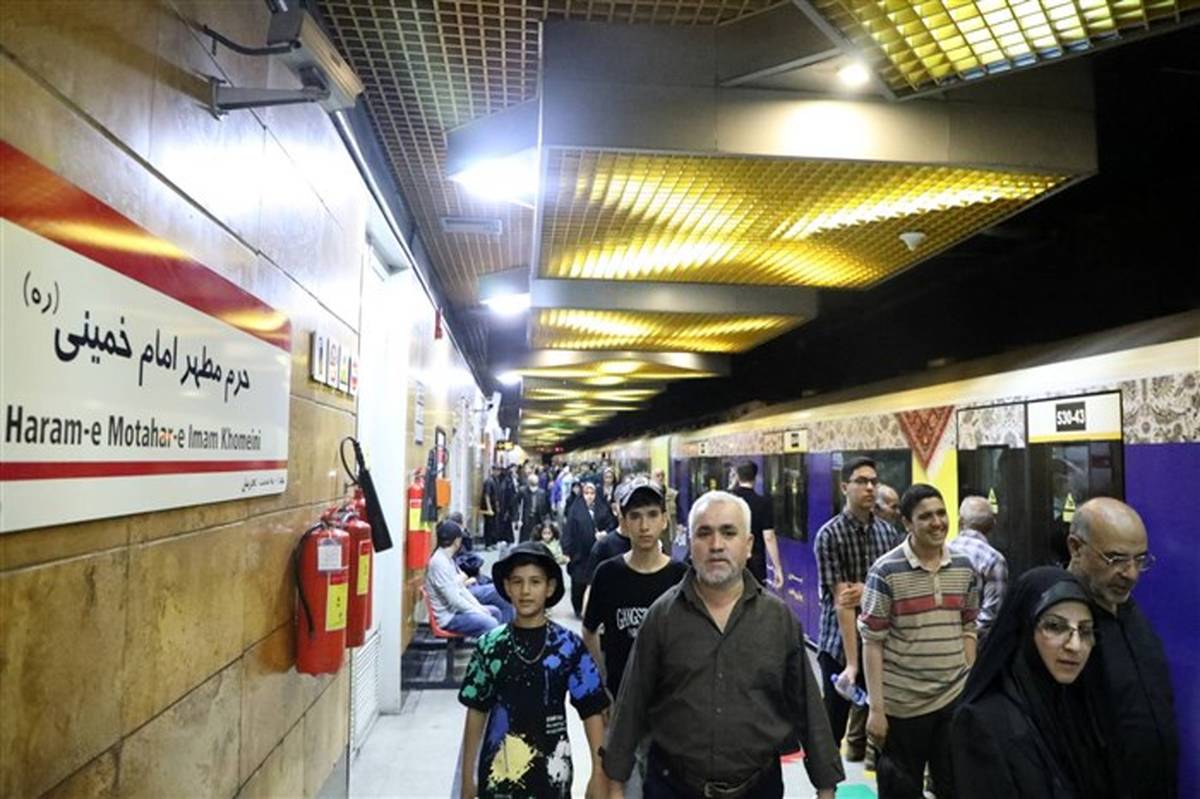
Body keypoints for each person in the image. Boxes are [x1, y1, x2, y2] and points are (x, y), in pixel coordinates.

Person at [603, 491, 844, 799]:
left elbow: (808, 707)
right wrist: (615, 785)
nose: (716, 545)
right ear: (690, 544)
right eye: (704, 533)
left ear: (749, 545)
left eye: (729, 533)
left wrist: (825, 786)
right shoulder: (662, 617)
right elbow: (631, 704)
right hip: (673, 788)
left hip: (759, 789)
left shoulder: (777, 619)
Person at [458, 542, 610, 799]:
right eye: (517, 582)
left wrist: (598, 772)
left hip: (552, 776)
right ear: (507, 587)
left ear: (549, 587)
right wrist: (467, 777)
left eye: (535, 582)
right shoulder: (490, 645)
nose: (525, 591)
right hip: (498, 777)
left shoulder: (568, 646)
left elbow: (592, 709)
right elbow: (476, 711)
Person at [858, 483, 979, 799]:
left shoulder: (964, 566)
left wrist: (969, 683)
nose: (937, 522)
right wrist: (877, 710)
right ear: (907, 524)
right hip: (903, 708)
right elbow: (872, 642)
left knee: (956, 788)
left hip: (952, 700)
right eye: (926, 517)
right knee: (900, 790)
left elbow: (968, 625)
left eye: (941, 513)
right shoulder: (885, 571)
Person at [951, 567, 1114, 799]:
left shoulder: (1081, 707)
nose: (1075, 645)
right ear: (1024, 630)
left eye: (1085, 631)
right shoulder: (982, 722)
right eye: (1055, 627)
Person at [1066, 497, 1178, 799]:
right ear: (1076, 548)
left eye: (1139, 559)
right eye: (1115, 559)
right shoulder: (1060, 627)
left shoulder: (1131, 615)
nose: (1131, 573)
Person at [812, 456, 896, 761]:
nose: (870, 487)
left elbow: (893, 590)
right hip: (839, 646)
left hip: (880, 644)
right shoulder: (829, 535)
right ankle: (827, 783)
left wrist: (866, 590)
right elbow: (843, 602)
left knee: (885, 728)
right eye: (862, 481)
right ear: (844, 487)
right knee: (832, 728)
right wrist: (852, 664)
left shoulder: (887, 533)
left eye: (873, 481)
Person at [583, 478, 686, 697]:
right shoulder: (607, 574)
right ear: (624, 521)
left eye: (652, 515)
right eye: (635, 516)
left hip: (671, 698)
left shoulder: (681, 576)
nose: (644, 526)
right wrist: (602, 680)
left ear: (664, 520)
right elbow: (589, 629)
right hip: (621, 694)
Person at [426, 520, 513, 637]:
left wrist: (479, 607)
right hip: (449, 618)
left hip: (455, 611)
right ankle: (494, 645)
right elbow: (454, 600)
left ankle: (500, 643)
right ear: (457, 541)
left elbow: (461, 589)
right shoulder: (439, 563)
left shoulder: (447, 559)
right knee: (490, 623)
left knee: (495, 612)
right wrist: (477, 611)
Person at [952, 495, 1008, 644]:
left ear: (960, 521)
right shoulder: (994, 559)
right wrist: (967, 636)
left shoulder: (943, 550)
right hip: (975, 643)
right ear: (992, 525)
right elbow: (992, 613)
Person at [730, 461, 785, 590]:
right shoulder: (763, 503)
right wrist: (777, 568)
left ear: (737, 476)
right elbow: (769, 537)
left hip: (731, 559)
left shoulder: (727, 500)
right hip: (755, 563)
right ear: (755, 477)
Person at [564, 481, 610, 616]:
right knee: (579, 582)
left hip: (598, 552)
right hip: (579, 553)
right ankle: (578, 608)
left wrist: (605, 533)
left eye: (592, 493)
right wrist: (567, 551)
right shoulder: (575, 510)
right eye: (586, 493)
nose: (589, 496)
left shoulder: (602, 508)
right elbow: (568, 531)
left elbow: (611, 524)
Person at [517, 471, 552, 542]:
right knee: (525, 537)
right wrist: (518, 519)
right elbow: (517, 504)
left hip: (538, 517)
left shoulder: (542, 493)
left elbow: (546, 507)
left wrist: (547, 518)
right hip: (526, 518)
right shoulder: (523, 491)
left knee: (537, 536)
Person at [652, 468, 679, 553]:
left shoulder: (672, 494)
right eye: (657, 475)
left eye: (662, 475)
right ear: (652, 478)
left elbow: (679, 512)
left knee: (667, 551)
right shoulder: (649, 494)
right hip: (654, 527)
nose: (660, 478)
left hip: (667, 527)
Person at [480, 465, 500, 548]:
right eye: (497, 470)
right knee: (488, 526)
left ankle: (492, 542)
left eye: (499, 470)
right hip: (488, 507)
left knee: (493, 526)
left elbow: (496, 495)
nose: (498, 472)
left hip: (493, 507)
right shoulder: (489, 481)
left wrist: (497, 506)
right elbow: (487, 495)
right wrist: (489, 509)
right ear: (493, 470)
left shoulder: (496, 480)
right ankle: (487, 544)